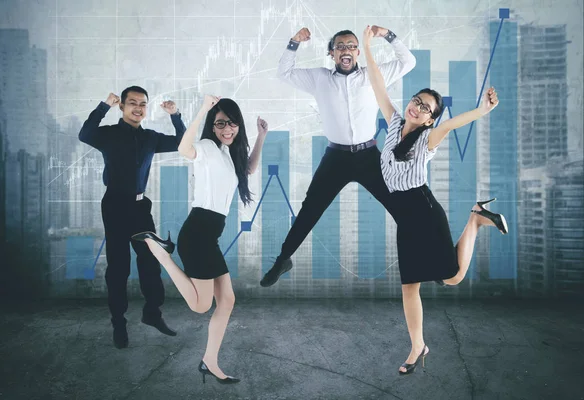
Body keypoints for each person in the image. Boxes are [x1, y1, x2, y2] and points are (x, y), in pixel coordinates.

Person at [362, 25, 509, 375]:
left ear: (430, 118)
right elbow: (377, 83)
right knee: (409, 286)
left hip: (425, 213)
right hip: (405, 220)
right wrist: (371, 42)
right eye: (416, 100)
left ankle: (475, 218)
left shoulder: (429, 138)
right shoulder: (395, 122)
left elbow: (455, 123)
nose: (416, 107)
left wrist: (482, 112)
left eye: (425, 107)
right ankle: (417, 346)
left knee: (452, 278)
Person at [260, 25, 416, 287]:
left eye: (352, 46)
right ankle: (283, 260)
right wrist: (295, 41)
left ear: (358, 52)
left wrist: (388, 35)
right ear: (331, 53)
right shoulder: (320, 78)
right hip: (336, 157)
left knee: (400, 206)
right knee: (310, 210)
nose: (347, 50)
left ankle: (430, 261)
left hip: (369, 156)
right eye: (340, 46)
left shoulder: (372, 76)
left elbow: (408, 61)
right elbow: (283, 72)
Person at [132, 95, 269, 384]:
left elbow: (250, 169)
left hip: (210, 236)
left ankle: (209, 361)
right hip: (197, 234)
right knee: (200, 306)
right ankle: (162, 254)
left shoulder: (227, 153)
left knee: (227, 300)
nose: (227, 129)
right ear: (213, 126)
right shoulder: (207, 147)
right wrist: (202, 111)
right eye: (220, 124)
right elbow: (184, 148)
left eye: (231, 123)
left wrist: (261, 136)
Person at [78, 86, 185, 349]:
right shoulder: (108, 134)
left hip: (140, 207)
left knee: (151, 261)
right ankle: (119, 322)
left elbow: (183, 143)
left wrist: (176, 115)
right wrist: (104, 105)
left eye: (143, 104)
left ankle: (152, 313)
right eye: (133, 103)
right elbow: (85, 134)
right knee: (119, 267)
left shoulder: (150, 137)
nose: (138, 108)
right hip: (115, 205)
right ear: (122, 107)